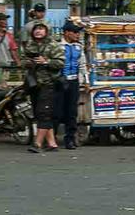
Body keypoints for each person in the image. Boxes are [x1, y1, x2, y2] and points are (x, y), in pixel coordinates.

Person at [22, 23, 64, 153]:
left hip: (48, 83)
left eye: (41, 29)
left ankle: (38, 143)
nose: (38, 31)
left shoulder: (53, 45)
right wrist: (28, 63)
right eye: (36, 29)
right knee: (39, 113)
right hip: (34, 84)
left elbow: (61, 62)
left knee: (44, 113)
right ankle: (52, 143)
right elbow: (22, 60)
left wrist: (46, 62)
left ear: (46, 31)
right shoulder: (29, 45)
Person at [53, 21, 88, 150]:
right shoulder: (58, 46)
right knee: (57, 111)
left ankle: (70, 139)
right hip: (61, 81)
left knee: (72, 112)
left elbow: (83, 64)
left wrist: (86, 80)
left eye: (78, 33)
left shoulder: (79, 47)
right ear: (66, 33)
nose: (77, 35)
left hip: (74, 82)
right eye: (75, 32)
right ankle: (53, 138)